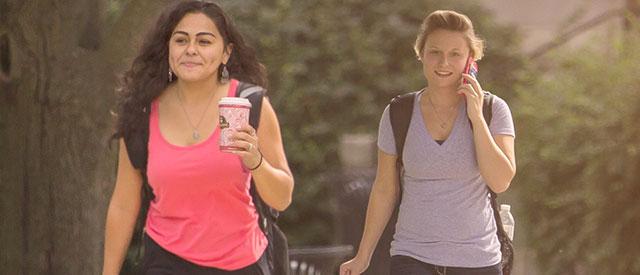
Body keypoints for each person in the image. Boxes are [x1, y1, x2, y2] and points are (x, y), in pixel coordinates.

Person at [102, 1, 294, 275]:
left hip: (242, 263)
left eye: (204, 41)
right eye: (181, 40)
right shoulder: (142, 113)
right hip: (166, 261)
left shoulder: (248, 104)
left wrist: (256, 162)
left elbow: (282, 198)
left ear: (226, 53)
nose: (191, 49)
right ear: (168, 47)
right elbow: (122, 205)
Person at [340, 10, 516, 275]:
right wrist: (363, 256)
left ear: (471, 60)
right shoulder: (398, 113)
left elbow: (501, 180)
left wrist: (476, 118)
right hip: (412, 257)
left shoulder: (493, 110)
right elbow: (385, 189)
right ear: (421, 53)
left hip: (478, 261)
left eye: (455, 54)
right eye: (435, 52)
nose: (443, 62)